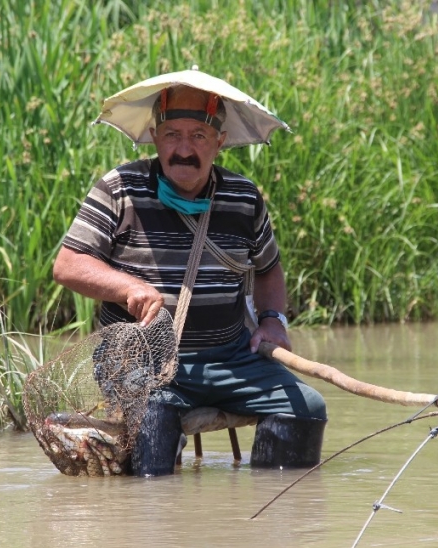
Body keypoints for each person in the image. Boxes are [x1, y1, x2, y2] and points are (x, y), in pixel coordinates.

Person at [53, 82, 327, 477]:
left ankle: (270, 519)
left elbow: (268, 270)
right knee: (152, 417)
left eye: (198, 136)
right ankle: (156, 526)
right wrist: (128, 286)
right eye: (172, 136)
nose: (184, 149)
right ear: (154, 139)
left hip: (229, 358)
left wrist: (272, 321)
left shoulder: (244, 199)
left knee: (306, 408)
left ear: (220, 142)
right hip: (140, 363)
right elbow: (68, 264)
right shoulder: (120, 189)